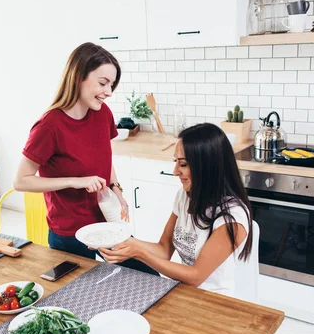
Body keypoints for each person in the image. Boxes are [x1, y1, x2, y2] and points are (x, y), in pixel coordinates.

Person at [14, 42, 157, 274]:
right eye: (103, 83)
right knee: (79, 292)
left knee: (147, 275)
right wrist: (76, 181)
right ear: (78, 76)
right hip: (69, 231)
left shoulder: (103, 114)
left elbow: (105, 158)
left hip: (106, 221)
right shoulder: (49, 126)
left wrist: (117, 191)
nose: (109, 92)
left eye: (112, 84)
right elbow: (21, 181)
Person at [99, 123, 253, 296]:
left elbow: (196, 276)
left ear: (208, 166)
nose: (175, 172)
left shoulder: (231, 218)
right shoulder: (185, 196)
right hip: (180, 292)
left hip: (213, 302)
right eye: (176, 162)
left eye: (183, 164)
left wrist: (139, 253)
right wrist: (121, 241)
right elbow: (164, 250)